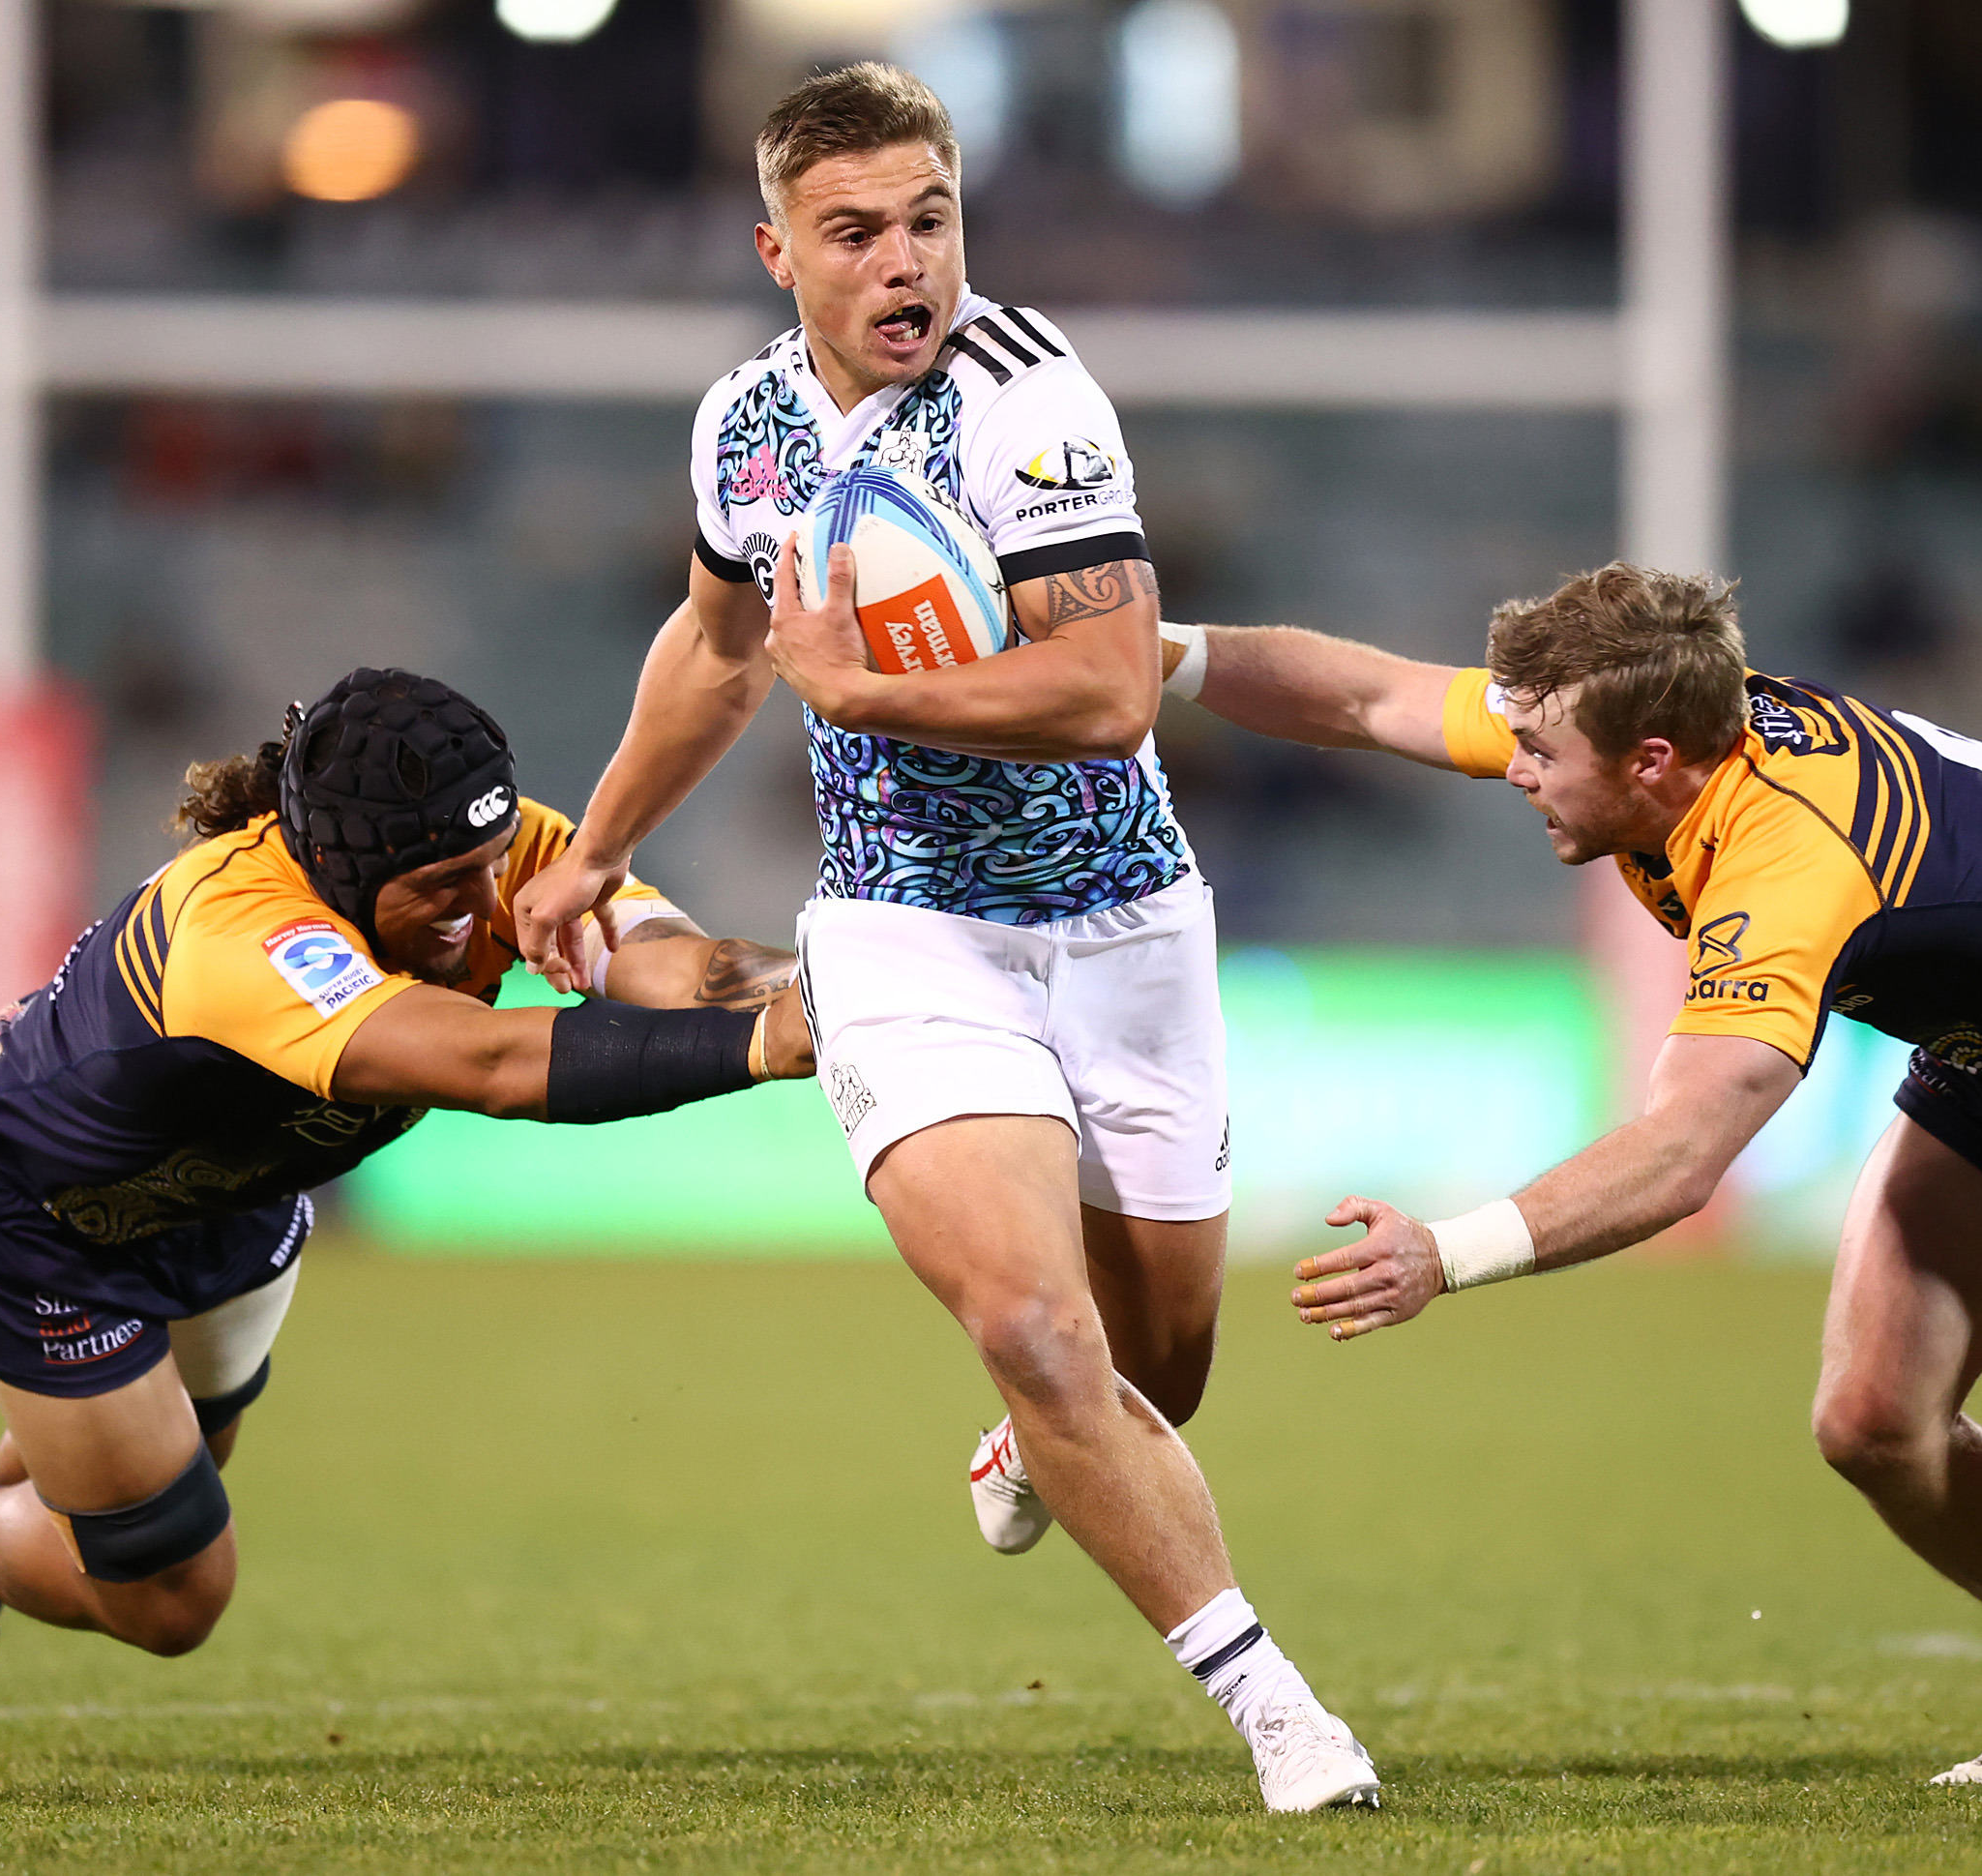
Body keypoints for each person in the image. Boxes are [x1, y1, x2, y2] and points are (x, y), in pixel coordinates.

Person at [1154, 567, 1982, 1784]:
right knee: (1872, 1416)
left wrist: (1446, 1253)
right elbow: (1371, 694)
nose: (1514, 767)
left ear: (1657, 759)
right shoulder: (1646, 723)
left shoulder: (1789, 861)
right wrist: (1153, 656)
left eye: (1540, 751)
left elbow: (1687, 1152)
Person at [511, 64, 1378, 1813]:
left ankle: (1037, 1439)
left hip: (1124, 925)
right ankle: (1283, 1709)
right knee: (1042, 1327)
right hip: (909, 933)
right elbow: (710, 644)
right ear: (778, 249)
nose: (909, 264)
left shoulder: (1027, 399)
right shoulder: (739, 428)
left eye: (932, 219)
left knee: (1161, 1366)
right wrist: (592, 850)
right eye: (859, 233)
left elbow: (1114, 687)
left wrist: (867, 681)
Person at [0, 668, 813, 1748]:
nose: (486, 905)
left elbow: (679, 964)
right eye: (446, 884)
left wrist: (826, 995)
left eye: (492, 866)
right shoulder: (244, 933)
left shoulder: (490, 846)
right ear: (342, 868)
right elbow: (485, 1062)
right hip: (41, 1208)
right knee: (173, 1593)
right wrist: (758, 1049)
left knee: (143, 1484)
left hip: (234, 1188)